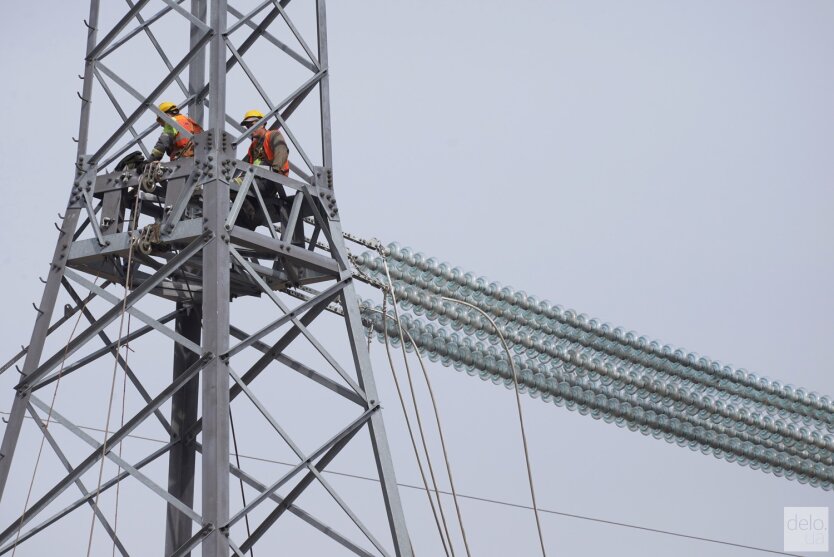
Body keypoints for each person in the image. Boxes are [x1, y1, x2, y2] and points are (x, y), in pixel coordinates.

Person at [240, 110, 290, 175]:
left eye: (252, 125)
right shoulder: (253, 147)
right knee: (235, 183)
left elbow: (282, 151)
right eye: (248, 127)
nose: (249, 129)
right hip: (256, 177)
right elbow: (249, 166)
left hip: (272, 177)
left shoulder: (273, 135)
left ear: (262, 124)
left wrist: (274, 170)